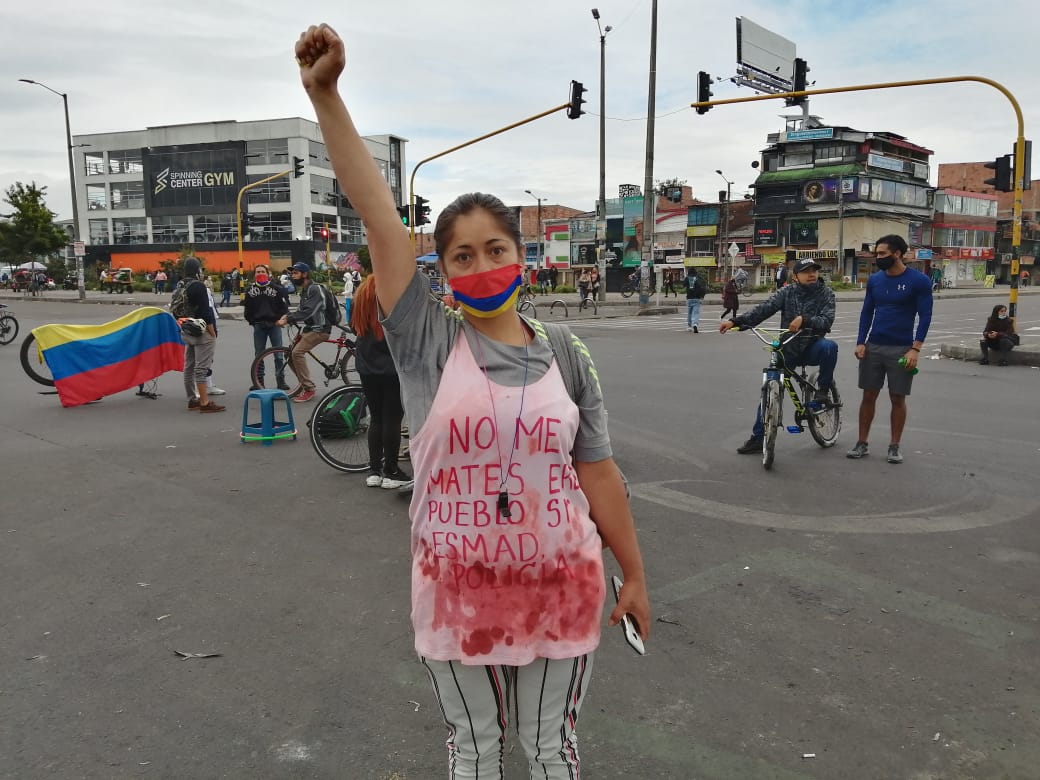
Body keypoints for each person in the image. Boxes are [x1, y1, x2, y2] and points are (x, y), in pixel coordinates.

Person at [296, 23, 649, 778]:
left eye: (497, 249)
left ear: (522, 259)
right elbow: (379, 220)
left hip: (564, 586)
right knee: (476, 751)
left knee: (552, 750)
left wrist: (637, 573)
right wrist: (325, 95)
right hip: (458, 597)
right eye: (463, 254)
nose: (482, 264)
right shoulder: (427, 338)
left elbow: (599, 475)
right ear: (443, 269)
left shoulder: (567, 351)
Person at [721, 259, 838, 454]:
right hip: (787, 347)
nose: (812, 274)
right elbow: (763, 310)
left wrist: (805, 320)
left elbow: (827, 319)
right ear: (795, 277)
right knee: (769, 388)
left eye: (814, 271)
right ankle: (759, 437)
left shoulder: (826, 294)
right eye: (806, 271)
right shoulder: (787, 292)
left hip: (812, 346)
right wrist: (735, 322)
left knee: (830, 347)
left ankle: (823, 391)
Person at [847, 234, 933, 464]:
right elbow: (867, 312)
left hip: (902, 349)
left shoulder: (919, 281)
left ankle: (894, 446)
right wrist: (860, 341)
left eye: (882, 253)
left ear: (897, 253)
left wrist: (915, 349)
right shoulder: (875, 280)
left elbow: (925, 316)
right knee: (868, 395)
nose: (878, 257)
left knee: (897, 398)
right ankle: (861, 442)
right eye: (877, 253)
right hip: (874, 345)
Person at [352, 275, 412, 489]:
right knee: (392, 420)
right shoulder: (391, 296)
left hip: (366, 365)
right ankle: (391, 471)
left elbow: (354, 327)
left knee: (376, 419)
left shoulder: (361, 296)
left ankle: (374, 471)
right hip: (392, 367)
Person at [276, 262, 330, 403]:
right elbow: (302, 310)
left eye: (295, 273)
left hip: (321, 328)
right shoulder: (305, 290)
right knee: (289, 352)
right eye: (292, 273)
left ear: (304, 274)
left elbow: (308, 311)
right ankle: (303, 384)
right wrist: (287, 316)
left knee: (297, 353)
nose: (292, 276)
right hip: (310, 327)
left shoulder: (314, 289)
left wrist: (288, 318)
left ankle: (309, 388)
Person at [179, 257, 224, 413]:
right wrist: (212, 333)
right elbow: (206, 312)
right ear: (197, 270)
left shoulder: (180, 285)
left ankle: (192, 399)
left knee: (189, 366)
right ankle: (204, 402)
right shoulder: (198, 286)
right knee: (201, 368)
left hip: (186, 328)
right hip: (201, 330)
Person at [244, 264, 290, 390]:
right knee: (259, 355)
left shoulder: (277, 289)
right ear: (254, 274)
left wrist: (281, 319)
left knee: (278, 355)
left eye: (262, 271)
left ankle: (281, 382)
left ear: (268, 273)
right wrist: (253, 321)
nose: (260, 274)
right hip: (259, 325)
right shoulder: (249, 290)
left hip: (274, 325)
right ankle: (259, 382)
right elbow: (247, 309)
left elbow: (284, 307)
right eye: (257, 271)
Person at [684, 267, 706, 332]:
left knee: (689, 313)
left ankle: (689, 326)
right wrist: (702, 296)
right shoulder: (698, 278)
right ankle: (695, 324)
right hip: (697, 298)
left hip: (689, 298)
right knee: (696, 313)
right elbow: (703, 288)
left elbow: (683, 285)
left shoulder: (687, 278)